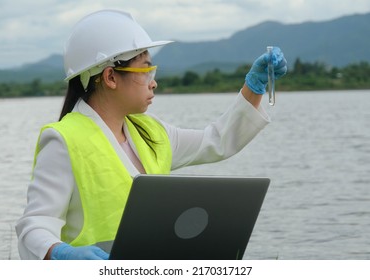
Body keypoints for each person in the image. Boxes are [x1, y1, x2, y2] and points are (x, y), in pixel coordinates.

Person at [15, 9, 287, 260]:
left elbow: (216, 141)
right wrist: (60, 254)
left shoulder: (150, 131)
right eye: (145, 70)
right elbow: (34, 226)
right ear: (110, 77)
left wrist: (254, 87)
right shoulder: (64, 140)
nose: (154, 81)